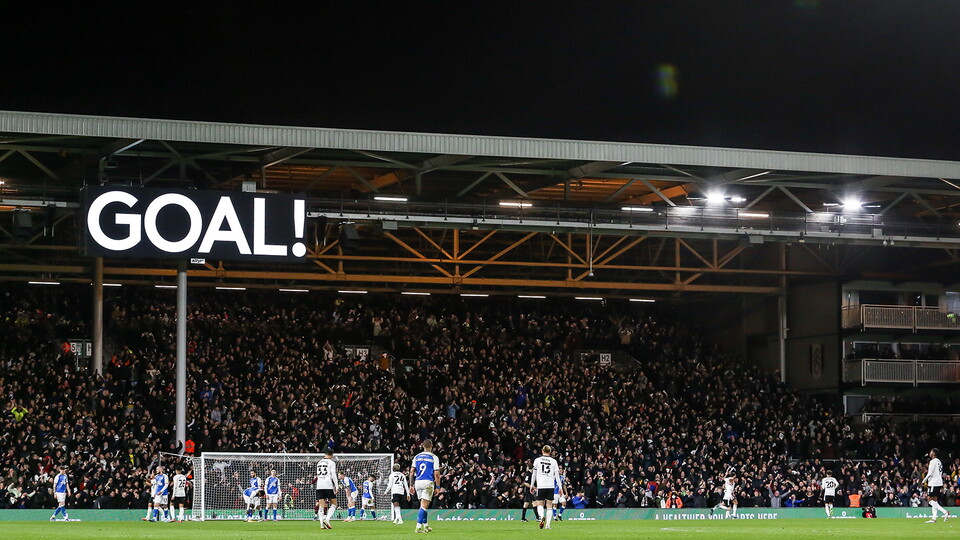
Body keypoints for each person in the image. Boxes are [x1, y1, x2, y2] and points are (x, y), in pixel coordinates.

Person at [410, 439, 441, 533]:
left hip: (418, 482)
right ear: (431, 446)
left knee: (423, 506)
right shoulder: (433, 457)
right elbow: (436, 474)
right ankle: (418, 527)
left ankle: (426, 526)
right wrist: (438, 487)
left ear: (422, 446)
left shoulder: (417, 456)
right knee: (424, 506)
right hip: (427, 482)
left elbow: (411, 472)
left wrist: (411, 485)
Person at [531, 444, 561, 530]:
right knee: (549, 505)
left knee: (539, 504)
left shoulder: (537, 460)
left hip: (541, 485)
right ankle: (548, 525)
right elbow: (557, 475)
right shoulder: (554, 461)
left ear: (542, 451)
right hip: (550, 485)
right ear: (550, 452)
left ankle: (541, 516)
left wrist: (532, 485)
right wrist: (560, 487)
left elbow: (534, 474)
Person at [923, 448, 950, 523]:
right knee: (935, 500)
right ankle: (934, 518)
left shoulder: (933, 461)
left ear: (934, 453)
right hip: (939, 482)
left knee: (930, 500)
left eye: (931, 452)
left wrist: (924, 480)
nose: (930, 453)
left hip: (933, 483)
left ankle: (945, 512)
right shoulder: (939, 461)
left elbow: (930, 473)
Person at [315, 449, 338, 529]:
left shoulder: (319, 462)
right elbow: (333, 475)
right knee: (334, 503)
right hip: (328, 485)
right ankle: (327, 519)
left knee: (321, 506)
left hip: (319, 485)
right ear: (331, 455)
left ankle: (321, 524)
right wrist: (337, 486)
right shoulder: (331, 463)